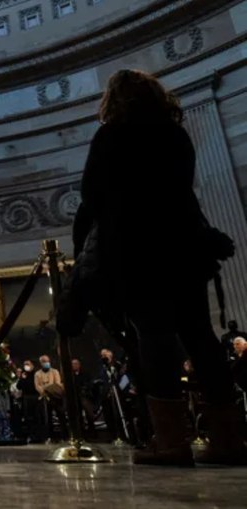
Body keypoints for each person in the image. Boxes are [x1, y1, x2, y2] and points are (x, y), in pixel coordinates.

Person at [62, 69, 245, 466]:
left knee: (156, 338)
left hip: (137, 251)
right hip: (182, 248)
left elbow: (92, 196)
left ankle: (171, 440)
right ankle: (228, 438)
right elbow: (183, 193)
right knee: (201, 337)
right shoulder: (174, 136)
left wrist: (83, 257)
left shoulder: (112, 136)